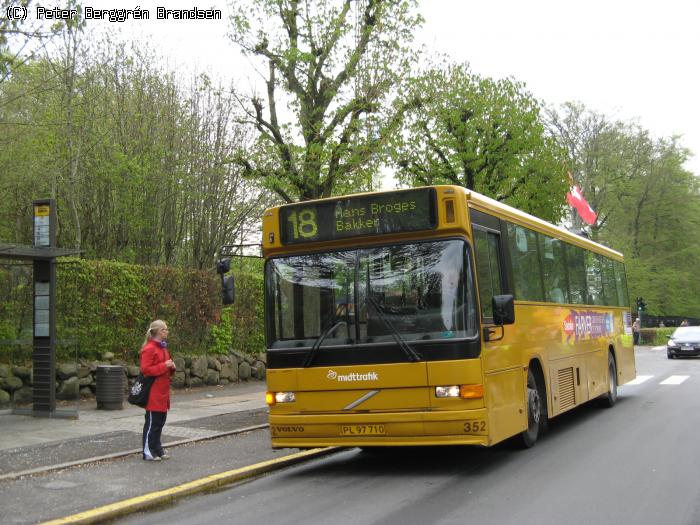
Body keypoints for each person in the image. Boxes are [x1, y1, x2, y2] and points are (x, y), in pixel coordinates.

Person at [140, 319, 176, 461]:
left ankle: (157, 448)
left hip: (163, 392)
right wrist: (164, 366)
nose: (167, 331)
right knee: (152, 423)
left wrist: (171, 367)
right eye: (165, 329)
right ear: (159, 331)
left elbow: (166, 369)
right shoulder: (149, 349)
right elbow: (145, 370)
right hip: (153, 392)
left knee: (160, 422)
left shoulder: (163, 348)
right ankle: (148, 451)